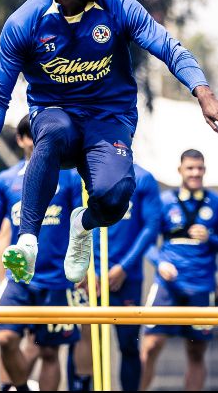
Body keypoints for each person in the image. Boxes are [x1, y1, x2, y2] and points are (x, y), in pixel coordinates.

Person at [0, 0, 218, 287]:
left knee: (115, 197)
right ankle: (28, 240)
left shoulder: (119, 7)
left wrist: (203, 92)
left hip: (109, 118)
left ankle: (84, 224)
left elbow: (169, 47)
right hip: (55, 113)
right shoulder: (24, 23)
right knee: (54, 131)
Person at [0, 116, 83, 392]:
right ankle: (20, 388)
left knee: (49, 353)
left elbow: (82, 221)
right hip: (19, 278)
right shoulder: (7, 181)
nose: (37, 141)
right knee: (6, 339)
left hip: (57, 279)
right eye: (31, 135)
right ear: (21, 140)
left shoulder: (68, 176)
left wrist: (85, 267)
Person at [140, 149, 218, 391]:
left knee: (196, 351)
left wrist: (210, 237)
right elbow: (147, 241)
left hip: (201, 287)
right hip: (167, 286)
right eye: (190, 168)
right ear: (180, 170)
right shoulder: (164, 201)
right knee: (150, 344)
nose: (195, 173)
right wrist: (159, 262)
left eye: (200, 168)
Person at [68, 163, 163, 391]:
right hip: (89, 277)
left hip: (127, 279)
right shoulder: (79, 176)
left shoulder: (143, 178)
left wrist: (124, 267)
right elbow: (70, 224)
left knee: (129, 345)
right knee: (83, 342)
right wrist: (85, 269)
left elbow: (151, 227)